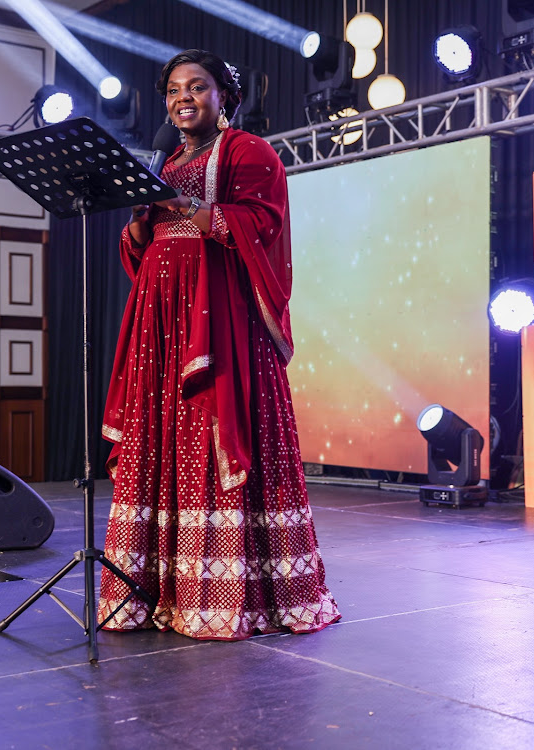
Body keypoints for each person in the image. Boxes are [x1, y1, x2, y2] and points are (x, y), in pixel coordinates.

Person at [97, 49, 341, 640]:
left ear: (223, 95)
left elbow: (261, 223)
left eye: (198, 87)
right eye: (175, 90)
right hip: (160, 324)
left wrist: (183, 205)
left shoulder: (247, 152)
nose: (185, 98)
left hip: (222, 325)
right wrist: (137, 220)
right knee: (159, 442)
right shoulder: (164, 161)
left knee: (216, 434)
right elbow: (143, 250)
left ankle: (228, 594)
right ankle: (151, 589)